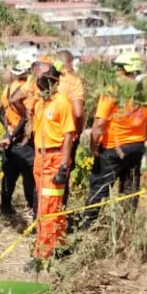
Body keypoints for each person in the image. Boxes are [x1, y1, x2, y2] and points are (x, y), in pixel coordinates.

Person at [82, 52, 147, 227]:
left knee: (100, 187)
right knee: (130, 188)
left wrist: (94, 145)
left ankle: (88, 225)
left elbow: (99, 123)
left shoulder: (112, 90)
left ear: (122, 69)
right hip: (136, 146)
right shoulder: (146, 92)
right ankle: (128, 226)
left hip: (112, 148)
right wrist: (142, 138)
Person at [29, 60, 76, 267]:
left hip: (55, 158)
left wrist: (63, 167)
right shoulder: (40, 102)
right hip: (40, 158)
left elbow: (68, 136)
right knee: (47, 205)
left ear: (54, 81)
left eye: (45, 79)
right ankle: (59, 244)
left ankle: (42, 255)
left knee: (47, 209)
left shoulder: (61, 102)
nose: (41, 83)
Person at [0, 59, 36, 219]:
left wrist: (8, 130)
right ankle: (31, 207)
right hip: (23, 139)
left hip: (10, 137)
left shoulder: (7, 89)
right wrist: (14, 134)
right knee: (29, 175)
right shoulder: (26, 90)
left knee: (9, 173)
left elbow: (0, 113)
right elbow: (25, 118)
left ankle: (5, 207)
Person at [55, 50, 85, 204]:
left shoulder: (49, 79)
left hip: (47, 134)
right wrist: (78, 131)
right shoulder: (73, 81)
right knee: (63, 172)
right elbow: (78, 113)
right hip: (67, 134)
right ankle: (61, 209)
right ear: (70, 63)